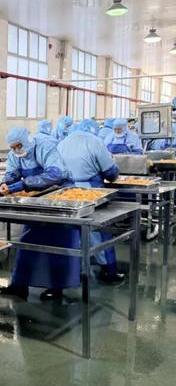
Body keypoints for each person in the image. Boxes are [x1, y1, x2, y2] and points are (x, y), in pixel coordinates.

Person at [0, 127, 78, 301]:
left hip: (58, 197)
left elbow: (54, 174)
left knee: (58, 242)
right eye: (12, 148)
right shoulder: (15, 155)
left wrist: (22, 185)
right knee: (27, 241)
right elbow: (12, 173)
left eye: (18, 146)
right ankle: (20, 284)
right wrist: (6, 183)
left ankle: (56, 287)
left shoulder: (45, 147)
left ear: (26, 141)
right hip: (37, 200)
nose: (16, 150)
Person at [57, 120, 125, 283]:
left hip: (66, 193)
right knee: (98, 231)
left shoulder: (62, 143)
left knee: (70, 232)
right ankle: (109, 270)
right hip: (90, 192)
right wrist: (113, 175)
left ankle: (74, 270)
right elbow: (110, 172)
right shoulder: (94, 141)